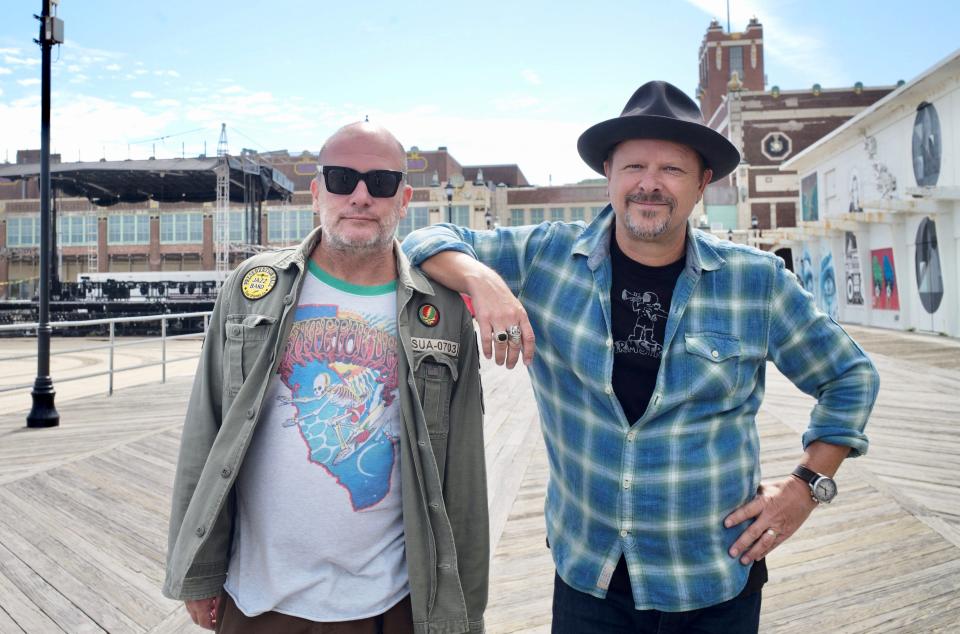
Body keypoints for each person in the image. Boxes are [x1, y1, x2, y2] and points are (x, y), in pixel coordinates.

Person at [402, 81, 879, 632]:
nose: (648, 185)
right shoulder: (546, 258)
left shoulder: (758, 283)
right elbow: (424, 240)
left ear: (702, 183)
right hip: (589, 582)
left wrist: (805, 487)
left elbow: (849, 376)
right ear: (609, 174)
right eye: (633, 167)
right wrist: (483, 280)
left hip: (713, 581)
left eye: (672, 170)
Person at [164, 122, 488, 634]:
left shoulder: (442, 311)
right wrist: (195, 570)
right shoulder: (251, 290)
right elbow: (205, 431)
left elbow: (463, 473)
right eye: (342, 178)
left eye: (380, 182)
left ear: (404, 199)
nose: (361, 196)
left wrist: (465, 611)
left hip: (390, 604)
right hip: (260, 600)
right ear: (316, 192)